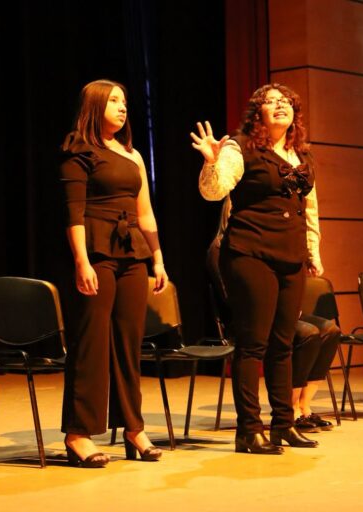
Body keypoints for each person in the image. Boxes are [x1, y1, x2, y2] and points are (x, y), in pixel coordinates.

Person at [192, 83, 321, 454]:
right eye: (271, 102)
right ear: (257, 113)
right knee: (253, 345)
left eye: (286, 102)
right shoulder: (240, 148)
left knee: (284, 344)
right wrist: (211, 161)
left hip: (291, 256)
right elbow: (213, 192)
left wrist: (313, 250)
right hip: (251, 253)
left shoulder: (301, 155)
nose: (280, 106)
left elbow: (311, 209)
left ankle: (284, 424)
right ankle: (249, 430)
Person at [60, 79, 167, 466]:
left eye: (124, 101)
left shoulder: (132, 155)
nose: (123, 107)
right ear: (94, 106)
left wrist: (157, 258)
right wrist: (81, 261)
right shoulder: (79, 149)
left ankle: (133, 428)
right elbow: (73, 212)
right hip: (96, 251)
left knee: (128, 342)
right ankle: (78, 433)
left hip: (132, 253)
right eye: (114, 101)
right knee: (91, 341)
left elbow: (145, 212)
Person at [206, 199, 340, 434]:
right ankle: (291, 409)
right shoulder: (221, 250)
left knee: (330, 331)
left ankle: (304, 405)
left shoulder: (262, 248)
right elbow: (232, 296)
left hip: (273, 312)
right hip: (242, 319)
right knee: (307, 334)